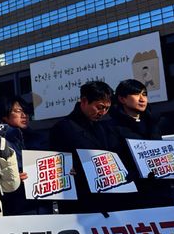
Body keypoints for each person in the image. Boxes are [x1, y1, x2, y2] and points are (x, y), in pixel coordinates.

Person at [49, 81, 122, 213]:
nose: (103, 112)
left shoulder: (106, 128)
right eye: (99, 107)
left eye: (107, 108)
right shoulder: (63, 128)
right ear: (84, 101)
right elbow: (54, 163)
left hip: (108, 197)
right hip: (79, 201)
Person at [109, 79, 172, 209]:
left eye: (144, 94)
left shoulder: (153, 123)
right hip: (133, 194)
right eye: (136, 94)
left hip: (161, 190)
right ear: (122, 99)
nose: (142, 99)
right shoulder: (112, 127)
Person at [0, 96, 49, 215]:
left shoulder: (37, 138)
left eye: (26, 111)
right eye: (18, 111)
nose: (24, 115)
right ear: (5, 115)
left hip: (42, 204)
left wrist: (63, 170)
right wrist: (13, 177)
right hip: (15, 205)